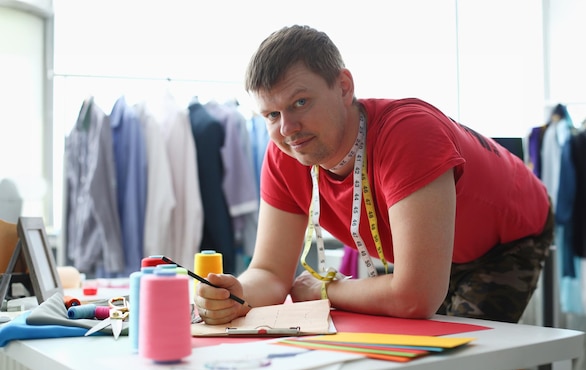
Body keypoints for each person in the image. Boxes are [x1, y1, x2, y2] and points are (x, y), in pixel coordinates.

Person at [194, 25, 554, 326]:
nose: (287, 128)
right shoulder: (283, 156)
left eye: (300, 102)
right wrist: (236, 295)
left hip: (506, 239)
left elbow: (416, 296)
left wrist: (324, 289)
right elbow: (271, 273)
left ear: (344, 86)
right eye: (271, 114)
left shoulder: (409, 134)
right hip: (433, 262)